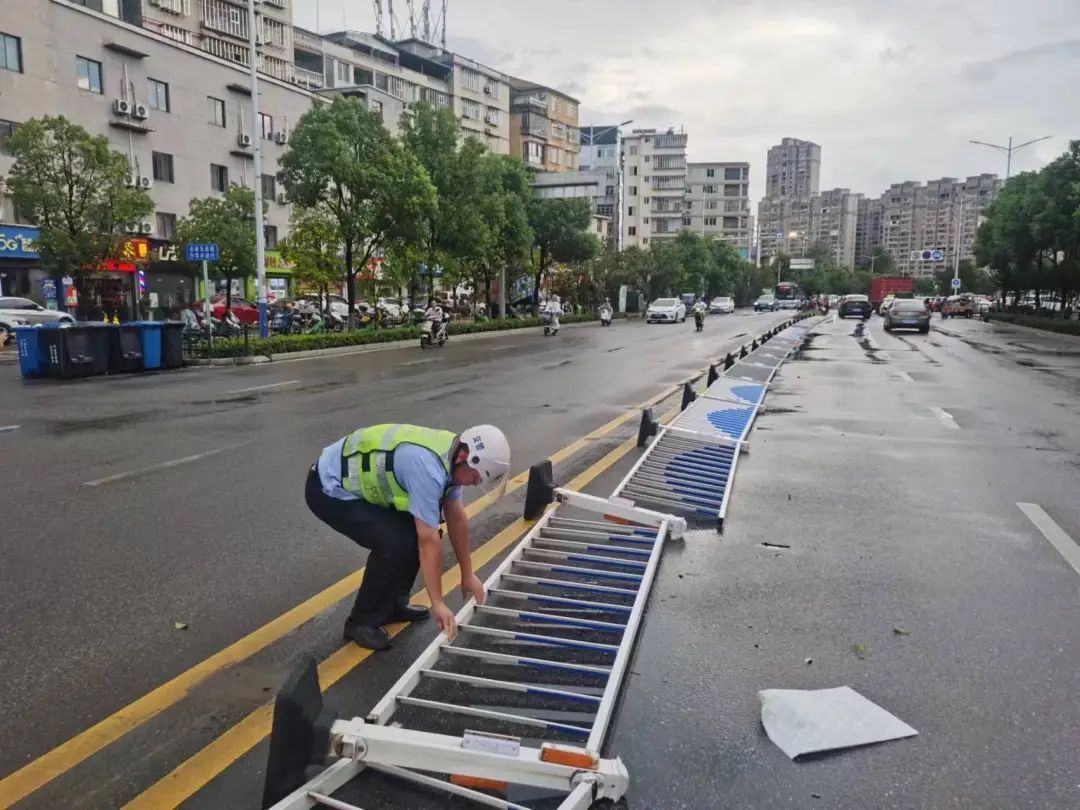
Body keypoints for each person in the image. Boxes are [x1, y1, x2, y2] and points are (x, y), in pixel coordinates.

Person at [306, 423, 511, 651]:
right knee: (393, 543)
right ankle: (361, 621)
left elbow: (456, 516)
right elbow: (428, 540)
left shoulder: (451, 458)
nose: (475, 483)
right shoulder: (427, 467)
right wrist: (438, 603)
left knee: (409, 537)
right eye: (475, 477)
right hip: (328, 487)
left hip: (355, 486)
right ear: (464, 456)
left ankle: (392, 606)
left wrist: (467, 573)